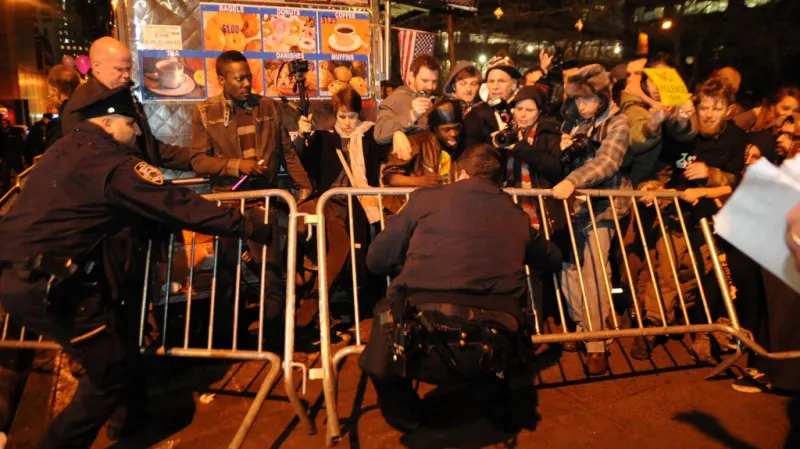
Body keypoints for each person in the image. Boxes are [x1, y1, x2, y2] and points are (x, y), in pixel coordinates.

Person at [0, 87, 274, 449]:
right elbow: (177, 202)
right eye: (132, 124)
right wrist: (250, 226)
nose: (139, 132)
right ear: (109, 123)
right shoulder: (112, 164)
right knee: (109, 372)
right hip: (51, 285)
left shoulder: (63, 150)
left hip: (24, 275)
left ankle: (129, 419)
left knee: (120, 347)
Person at [360, 143, 562, 432]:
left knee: (384, 320)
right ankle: (492, 402)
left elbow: (377, 260)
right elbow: (551, 257)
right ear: (498, 178)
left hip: (422, 334)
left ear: (461, 172)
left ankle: (405, 414)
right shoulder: (516, 213)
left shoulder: (425, 199)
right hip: (495, 336)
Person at [190, 50, 313, 335]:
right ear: (222, 80)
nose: (246, 83)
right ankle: (225, 340)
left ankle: (275, 341)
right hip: (227, 204)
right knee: (226, 276)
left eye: (248, 77)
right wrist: (236, 166)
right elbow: (197, 161)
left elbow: (286, 152)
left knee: (272, 275)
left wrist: (305, 187)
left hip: (264, 202)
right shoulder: (205, 112)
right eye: (239, 79)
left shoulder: (268, 107)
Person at [633, 78, 747, 362]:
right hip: (676, 214)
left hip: (713, 220)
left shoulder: (735, 137)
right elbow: (659, 169)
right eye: (704, 107)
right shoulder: (684, 133)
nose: (708, 113)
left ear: (729, 110)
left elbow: (736, 178)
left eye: (716, 108)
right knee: (667, 271)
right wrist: (651, 189)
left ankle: (695, 329)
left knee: (698, 276)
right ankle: (651, 327)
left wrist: (710, 174)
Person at [551, 64, 632, 375]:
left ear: (602, 96)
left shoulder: (618, 121)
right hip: (574, 206)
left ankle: (596, 343)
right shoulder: (573, 122)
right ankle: (583, 325)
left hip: (605, 204)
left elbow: (609, 160)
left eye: (588, 100)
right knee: (568, 266)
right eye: (578, 100)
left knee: (595, 272)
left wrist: (573, 179)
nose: (582, 106)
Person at [295, 86, 389, 291]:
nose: (347, 123)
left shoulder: (371, 134)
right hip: (328, 203)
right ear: (335, 115)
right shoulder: (323, 137)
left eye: (352, 117)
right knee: (304, 227)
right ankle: (309, 281)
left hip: (357, 205)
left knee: (350, 254)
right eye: (342, 116)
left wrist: (399, 131)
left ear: (359, 114)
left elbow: (388, 139)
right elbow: (303, 159)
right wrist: (302, 136)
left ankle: (317, 301)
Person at [61, 36, 191, 171]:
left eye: (128, 69)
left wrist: (196, 159)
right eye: (119, 69)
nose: (127, 75)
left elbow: (149, 148)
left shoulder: (123, 95)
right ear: (96, 66)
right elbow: (89, 167)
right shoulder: (82, 107)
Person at [383, 98, 464, 188]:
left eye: (457, 128)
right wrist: (420, 181)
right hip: (417, 199)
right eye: (446, 129)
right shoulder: (416, 143)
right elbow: (389, 177)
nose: (453, 133)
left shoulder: (463, 142)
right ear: (434, 129)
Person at [462, 51, 522, 150]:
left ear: (514, 84)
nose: (495, 87)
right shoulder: (476, 113)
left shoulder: (522, 109)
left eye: (501, 81)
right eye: (491, 81)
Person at [374, 54, 439, 145]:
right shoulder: (397, 98)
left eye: (434, 82)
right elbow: (379, 133)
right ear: (411, 77)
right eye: (425, 81)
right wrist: (412, 115)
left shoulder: (433, 100)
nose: (430, 87)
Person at [44, 64, 82, 149]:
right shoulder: (88, 111)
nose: (50, 99)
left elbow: (53, 159)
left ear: (55, 91)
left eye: (49, 95)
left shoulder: (58, 125)